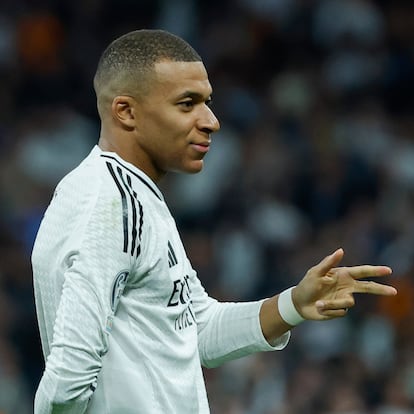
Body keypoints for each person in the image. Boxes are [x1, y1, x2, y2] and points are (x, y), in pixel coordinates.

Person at [31, 29, 397, 414]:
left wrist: (292, 304)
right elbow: (65, 386)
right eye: (187, 104)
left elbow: (195, 330)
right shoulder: (110, 205)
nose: (211, 121)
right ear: (126, 112)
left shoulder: (133, 196)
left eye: (207, 102)